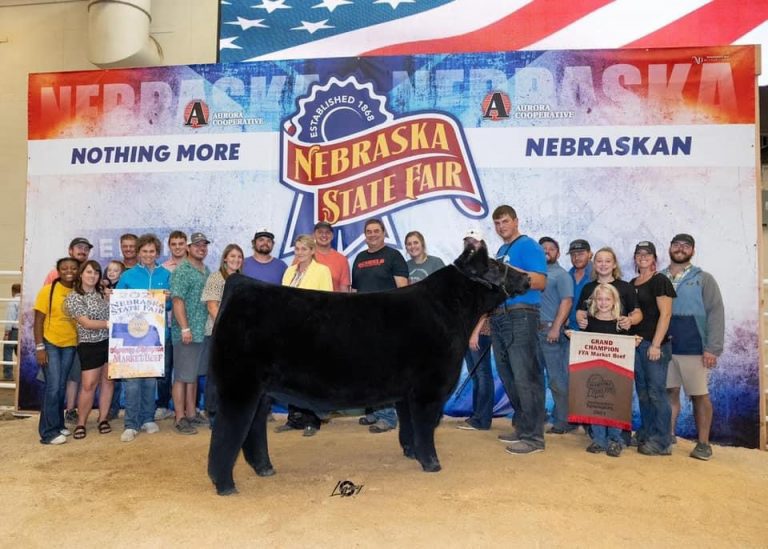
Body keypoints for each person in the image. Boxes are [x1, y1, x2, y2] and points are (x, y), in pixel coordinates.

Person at [489, 205, 547, 455]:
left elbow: (541, 281)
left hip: (522, 314)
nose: (501, 227)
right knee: (509, 376)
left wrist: (509, 272)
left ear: (515, 221)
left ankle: (534, 438)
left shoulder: (529, 245)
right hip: (500, 316)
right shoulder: (501, 250)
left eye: (505, 222)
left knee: (526, 376)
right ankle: (523, 426)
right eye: (497, 223)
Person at [663, 233, 724, 461]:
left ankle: (704, 443)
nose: (680, 248)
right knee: (670, 392)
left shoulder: (704, 279)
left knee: (699, 395)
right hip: (666, 346)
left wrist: (712, 348)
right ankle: (668, 436)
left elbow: (716, 313)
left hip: (694, 347)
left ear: (693, 251)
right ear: (670, 248)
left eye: (685, 246)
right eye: (676, 244)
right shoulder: (660, 277)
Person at [569, 284, 641, 457]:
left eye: (607, 299)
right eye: (599, 299)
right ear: (594, 301)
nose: (603, 303)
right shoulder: (588, 323)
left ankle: (615, 440)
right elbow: (582, 340)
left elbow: (627, 343)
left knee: (616, 404)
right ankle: (599, 440)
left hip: (617, 375)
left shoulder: (622, 324)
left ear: (614, 301)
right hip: (595, 373)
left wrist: (635, 341)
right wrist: (573, 335)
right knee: (595, 403)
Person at [352, 218, 408, 433]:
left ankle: (387, 417)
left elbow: (403, 289)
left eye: (376, 231)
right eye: (368, 231)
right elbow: (355, 292)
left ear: (384, 233)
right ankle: (372, 411)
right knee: (367, 368)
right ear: (364, 235)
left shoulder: (393, 256)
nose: (372, 234)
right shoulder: (359, 258)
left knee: (385, 370)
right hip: (362, 323)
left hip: (387, 322)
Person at [275, 235, 333, 436]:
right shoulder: (290, 271)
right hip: (290, 331)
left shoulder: (322, 271)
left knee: (310, 377)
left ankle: (312, 420)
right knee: (291, 376)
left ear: (312, 251)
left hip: (312, 330)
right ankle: (294, 418)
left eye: (304, 249)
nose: (299, 252)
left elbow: (327, 301)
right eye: (297, 249)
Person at [116, 233, 172, 442]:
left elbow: (168, 305)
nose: (148, 255)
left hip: (155, 337)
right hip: (130, 338)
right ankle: (131, 424)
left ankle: (148, 418)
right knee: (131, 382)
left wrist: (166, 298)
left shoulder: (165, 274)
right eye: (144, 251)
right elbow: (118, 302)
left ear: (157, 253)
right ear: (138, 253)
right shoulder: (128, 276)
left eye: (152, 251)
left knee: (150, 380)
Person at [629, 241, 676, 456]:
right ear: (635, 258)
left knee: (657, 392)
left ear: (654, 259)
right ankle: (647, 432)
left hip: (654, 345)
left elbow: (665, 315)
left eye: (647, 254)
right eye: (639, 253)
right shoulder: (632, 283)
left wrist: (656, 344)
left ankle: (662, 440)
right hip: (637, 344)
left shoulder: (660, 281)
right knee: (644, 392)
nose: (643, 257)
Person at [44, 237, 93, 425]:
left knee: (75, 375)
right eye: (79, 248)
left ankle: (70, 410)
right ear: (70, 250)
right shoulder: (55, 274)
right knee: (56, 383)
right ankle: (53, 422)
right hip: (56, 338)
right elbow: (45, 306)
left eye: (86, 248)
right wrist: (41, 343)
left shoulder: (88, 274)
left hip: (80, 336)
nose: (83, 251)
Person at [64, 260, 113, 439]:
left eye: (96, 273)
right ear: (81, 274)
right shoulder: (74, 297)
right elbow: (85, 322)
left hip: (110, 342)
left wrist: (111, 298)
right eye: (89, 272)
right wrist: (111, 324)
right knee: (88, 385)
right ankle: (81, 422)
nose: (93, 276)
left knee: (108, 382)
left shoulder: (104, 294)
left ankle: (103, 418)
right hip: (89, 345)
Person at [33, 257, 79, 445]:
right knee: (52, 387)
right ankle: (48, 433)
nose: (69, 271)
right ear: (58, 271)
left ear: (78, 270)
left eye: (73, 268)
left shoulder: (78, 291)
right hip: (50, 343)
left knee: (60, 386)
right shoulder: (48, 291)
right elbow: (38, 321)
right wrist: (40, 347)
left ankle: (58, 424)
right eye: (64, 268)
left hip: (70, 344)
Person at [170, 231, 211, 435]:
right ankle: (179, 417)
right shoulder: (182, 270)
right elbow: (177, 300)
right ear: (188, 248)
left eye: (203, 245)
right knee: (181, 376)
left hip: (201, 331)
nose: (200, 248)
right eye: (196, 245)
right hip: (187, 332)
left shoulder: (205, 269)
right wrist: (185, 328)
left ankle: (191, 413)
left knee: (192, 375)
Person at [200, 243, 245, 428]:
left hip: (237, 336)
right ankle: (213, 414)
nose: (236, 259)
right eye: (232, 256)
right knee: (216, 376)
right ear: (225, 258)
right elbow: (212, 306)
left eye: (239, 257)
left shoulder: (242, 279)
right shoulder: (216, 278)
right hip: (218, 334)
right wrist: (228, 328)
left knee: (232, 377)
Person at [456, 229, 494, 431]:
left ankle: (482, 418)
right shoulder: (467, 270)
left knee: (482, 373)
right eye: (467, 242)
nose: (470, 245)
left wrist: (475, 331)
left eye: (473, 242)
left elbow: (487, 305)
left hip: (480, 330)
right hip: (467, 328)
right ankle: (478, 416)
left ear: (481, 245)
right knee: (476, 374)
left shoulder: (486, 269)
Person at [536, 236, 574, 435]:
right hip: (533, 330)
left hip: (550, 330)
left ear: (558, 254)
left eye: (551, 248)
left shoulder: (561, 275)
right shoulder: (536, 274)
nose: (547, 251)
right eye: (543, 248)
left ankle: (564, 420)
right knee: (535, 378)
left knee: (556, 379)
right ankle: (539, 416)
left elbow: (566, 302)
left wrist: (555, 328)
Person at [312, 221, 351, 292]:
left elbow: (344, 290)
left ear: (332, 236)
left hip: (333, 302)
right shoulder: (305, 256)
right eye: (320, 232)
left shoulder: (342, 260)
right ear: (314, 235)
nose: (324, 235)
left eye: (327, 232)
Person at [566, 239, 592, 330]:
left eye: (581, 254)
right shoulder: (566, 276)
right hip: (568, 329)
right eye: (573, 255)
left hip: (592, 331)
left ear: (590, 254)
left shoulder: (599, 275)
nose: (576, 258)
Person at [3, 283, 20, 380]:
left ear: (13, 291)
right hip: (23, 332)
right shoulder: (25, 301)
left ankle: (8, 375)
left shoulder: (13, 302)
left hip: (13, 331)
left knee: (8, 351)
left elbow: (10, 318)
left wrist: (6, 333)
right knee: (21, 353)